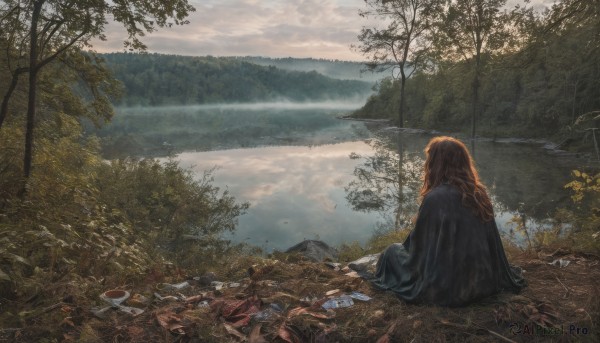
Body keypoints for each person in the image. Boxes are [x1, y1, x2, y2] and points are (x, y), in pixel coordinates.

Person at [370, 136, 526, 307]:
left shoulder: (435, 198)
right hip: (484, 282)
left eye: (430, 160)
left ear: (435, 164)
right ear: (464, 162)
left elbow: (418, 249)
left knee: (391, 252)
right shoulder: (479, 194)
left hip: (449, 288)